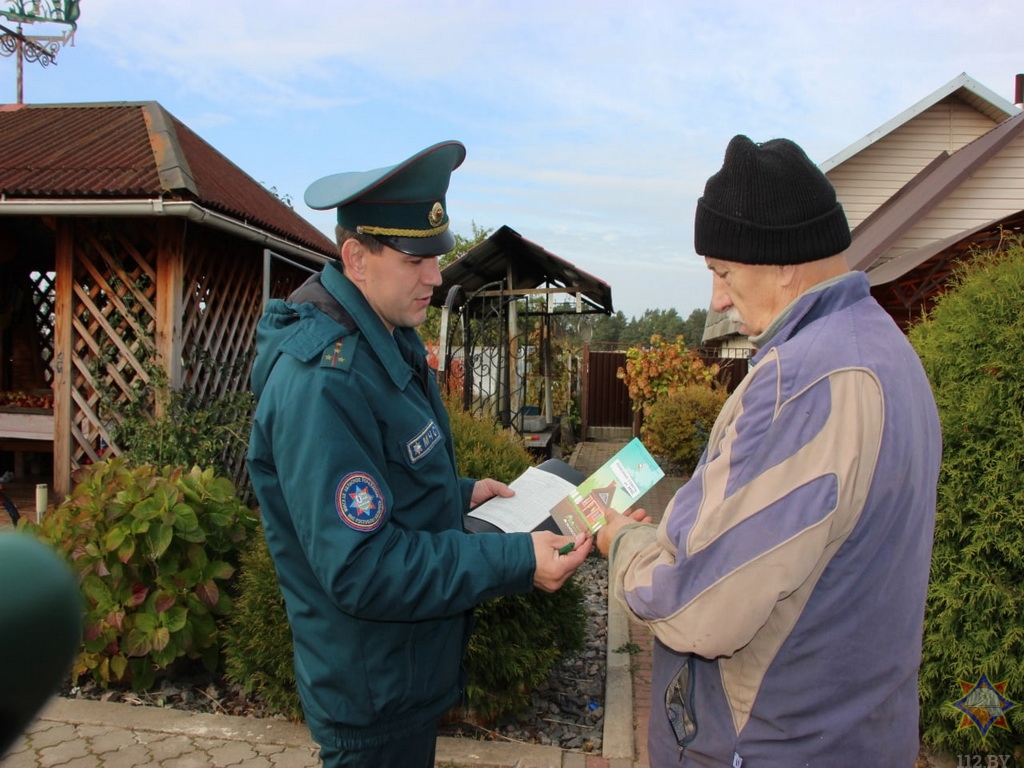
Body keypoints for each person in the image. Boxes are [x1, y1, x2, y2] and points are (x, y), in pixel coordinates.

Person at [596, 135, 941, 767]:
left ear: (782, 262)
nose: (718, 300)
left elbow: (702, 605)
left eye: (723, 272)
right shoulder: (887, 350)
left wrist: (618, 542)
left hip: (774, 745)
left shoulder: (804, 381)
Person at [246, 140, 591, 768]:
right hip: (371, 691)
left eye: (437, 255)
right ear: (356, 257)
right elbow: (361, 566)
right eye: (415, 259)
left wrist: (461, 493)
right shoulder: (325, 381)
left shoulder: (387, 338)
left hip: (403, 674)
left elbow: (382, 482)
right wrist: (515, 560)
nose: (435, 276)